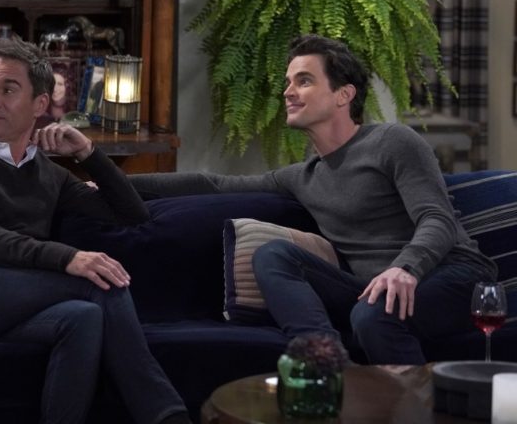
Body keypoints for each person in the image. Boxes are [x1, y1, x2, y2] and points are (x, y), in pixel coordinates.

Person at [0, 36, 190, 424]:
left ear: (40, 105)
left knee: (83, 318)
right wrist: (68, 258)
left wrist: (88, 153)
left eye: (8, 90)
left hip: (12, 299)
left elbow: (132, 215)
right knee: (101, 284)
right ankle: (169, 418)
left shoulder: (45, 171)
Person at [210, 34, 497, 365]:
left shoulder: (392, 140)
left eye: (304, 81)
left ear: (344, 94)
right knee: (272, 254)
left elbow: (438, 218)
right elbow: (217, 185)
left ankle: (416, 397)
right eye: (288, 82)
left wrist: (405, 268)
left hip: (452, 273)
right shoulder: (301, 176)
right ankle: (327, 362)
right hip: (370, 289)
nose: (287, 92)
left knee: (373, 316)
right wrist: (150, 181)